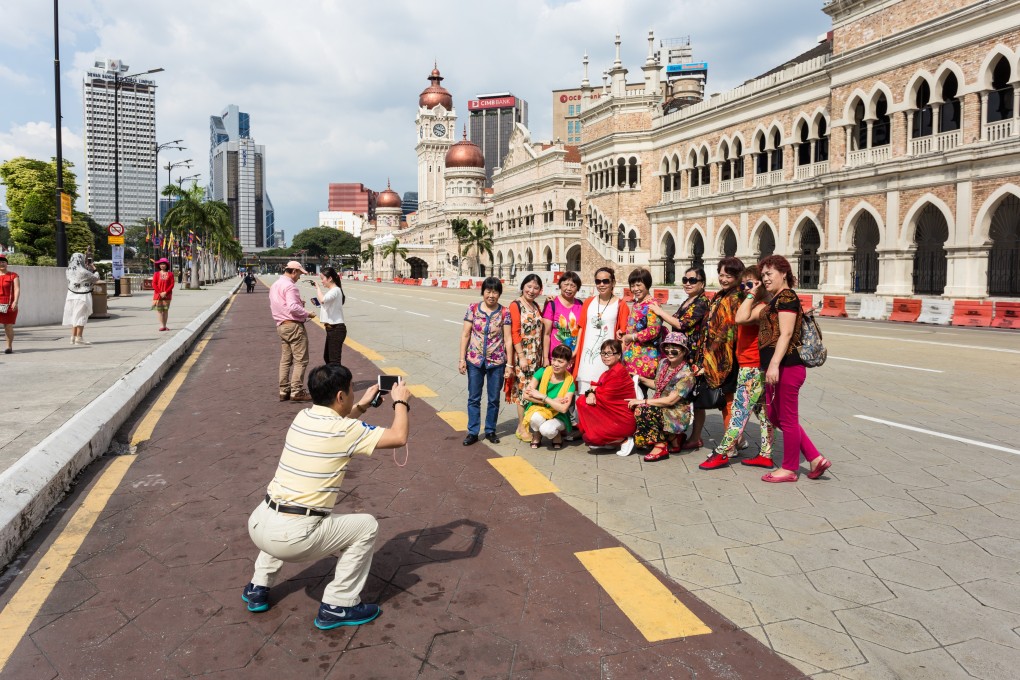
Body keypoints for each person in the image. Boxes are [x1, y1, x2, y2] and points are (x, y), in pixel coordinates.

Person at [242, 363, 411, 629]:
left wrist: (364, 405)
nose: (354, 395)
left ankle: (257, 587)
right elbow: (399, 437)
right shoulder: (345, 431)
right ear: (341, 396)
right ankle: (338, 605)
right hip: (291, 538)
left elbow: (338, 426)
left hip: (259, 524)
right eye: (351, 392)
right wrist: (400, 402)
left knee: (285, 512)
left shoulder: (303, 417)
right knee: (367, 526)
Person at [744, 255, 831, 483]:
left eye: (769, 273)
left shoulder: (788, 297)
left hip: (787, 367)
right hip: (777, 367)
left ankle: (790, 468)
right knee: (775, 416)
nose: (765, 278)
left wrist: (774, 365)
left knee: (788, 419)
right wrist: (754, 292)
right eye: (762, 274)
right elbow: (742, 318)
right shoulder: (774, 300)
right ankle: (814, 458)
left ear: (784, 273)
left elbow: (787, 333)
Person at [702, 266, 775, 470]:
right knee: (763, 414)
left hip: (752, 367)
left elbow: (739, 318)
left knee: (738, 412)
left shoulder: (762, 306)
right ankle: (766, 454)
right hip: (748, 365)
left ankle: (723, 452)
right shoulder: (755, 303)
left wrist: (752, 294)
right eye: (743, 285)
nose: (745, 289)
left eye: (750, 284)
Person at [650, 266, 711, 449]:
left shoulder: (701, 302)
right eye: (685, 280)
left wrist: (660, 312)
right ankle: (678, 432)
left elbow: (682, 324)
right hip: (682, 354)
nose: (687, 283)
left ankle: (695, 437)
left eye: (692, 280)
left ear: (702, 283)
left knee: (697, 399)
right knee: (683, 395)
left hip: (694, 357)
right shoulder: (688, 300)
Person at [687, 258, 744, 452]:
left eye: (729, 275)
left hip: (729, 356)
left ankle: (731, 445)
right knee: (725, 401)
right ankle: (737, 438)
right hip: (715, 354)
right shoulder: (720, 296)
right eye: (721, 274)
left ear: (738, 277)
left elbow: (728, 331)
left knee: (728, 400)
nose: (724, 279)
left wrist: (710, 358)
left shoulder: (738, 297)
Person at [458, 276, 513, 446]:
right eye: (488, 291)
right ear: (483, 292)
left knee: (494, 398)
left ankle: (490, 430)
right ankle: (473, 431)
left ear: (499, 294)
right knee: (474, 397)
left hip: (497, 362)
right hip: (474, 360)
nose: (491, 295)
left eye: (495, 291)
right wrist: (462, 359)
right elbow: (466, 334)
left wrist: (509, 364)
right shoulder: (473, 309)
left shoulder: (504, 312)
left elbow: (508, 339)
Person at [630, 332, 696, 462]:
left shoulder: (687, 375)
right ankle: (673, 438)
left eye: (674, 349)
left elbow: (671, 400)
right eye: (667, 347)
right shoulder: (664, 363)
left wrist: (644, 401)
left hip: (676, 413)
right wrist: (640, 379)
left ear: (683, 351)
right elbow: (657, 385)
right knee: (640, 407)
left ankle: (660, 446)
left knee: (642, 410)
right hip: (662, 406)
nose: (669, 352)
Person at [575, 339, 636, 456]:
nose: (605, 356)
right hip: (612, 416)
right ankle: (612, 440)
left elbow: (605, 396)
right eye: (603, 353)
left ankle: (624, 440)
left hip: (622, 420)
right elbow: (594, 388)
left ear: (618, 355)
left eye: (609, 353)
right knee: (583, 403)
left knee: (583, 403)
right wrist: (591, 392)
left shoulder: (618, 372)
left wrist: (592, 392)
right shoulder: (608, 372)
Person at [573, 267, 628, 394]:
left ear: (613, 283)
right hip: (586, 358)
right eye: (598, 281)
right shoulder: (588, 302)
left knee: (603, 397)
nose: (601, 284)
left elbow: (623, 335)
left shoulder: (621, 305)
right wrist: (576, 351)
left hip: (607, 359)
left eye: (605, 281)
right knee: (583, 397)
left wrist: (620, 360)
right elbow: (581, 327)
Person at [270, 261, 316, 402]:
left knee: (286, 360)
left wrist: (298, 305)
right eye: (300, 274)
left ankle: (284, 390)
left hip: (281, 325)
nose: (299, 277)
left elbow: (283, 305)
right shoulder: (290, 286)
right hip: (293, 326)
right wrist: (307, 313)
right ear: (294, 271)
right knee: (301, 360)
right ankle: (297, 391)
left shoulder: (275, 285)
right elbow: (292, 307)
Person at [508, 274, 545, 440]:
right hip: (523, 355)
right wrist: (521, 356)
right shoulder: (516, 305)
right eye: (529, 286)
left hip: (536, 356)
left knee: (532, 389)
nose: (532, 290)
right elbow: (514, 332)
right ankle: (521, 428)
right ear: (523, 286)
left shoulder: (536, 306)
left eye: (536, 288)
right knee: (523, 391)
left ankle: (527, 425)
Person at [522, 344, 576, 449]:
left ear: (569, 364)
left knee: (547, 430)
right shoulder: (542, 371)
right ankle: (537, 434)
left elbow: (564, 409)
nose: (555, 364)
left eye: (560, 362)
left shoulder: (570, 383)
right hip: (540, 409)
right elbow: (525, 395)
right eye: (554, 359)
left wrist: (542, 396)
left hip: (559, 415)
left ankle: (556, 434)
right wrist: (551, 401)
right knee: (535, 418)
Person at [619, 268, 662, 382]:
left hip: (644, 359)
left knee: (639, 395)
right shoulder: (637, 303)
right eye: (632, 286)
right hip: (631, 356)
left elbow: (653, 330)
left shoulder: (652, 304)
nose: (635, 289)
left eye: (639, 285)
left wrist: (631, 337)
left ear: (647, 284)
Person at [541, 271, 583, 365]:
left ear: (577, 289)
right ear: (560, 285)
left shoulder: (580, 305)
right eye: (566, 284)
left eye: (573, 286)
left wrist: (575, 353)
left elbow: (581, 331)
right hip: (556, 357)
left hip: (573, 357)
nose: (569, 288)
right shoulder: (552, 304)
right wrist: (545, 358)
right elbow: (546, 334)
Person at [312, 267, 347, 366]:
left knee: (333, 360)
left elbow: (323, 300)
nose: (322, 281)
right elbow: (325, 304)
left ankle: (340, 380)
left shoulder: (335, 290)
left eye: (323, 278)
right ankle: (337, 379)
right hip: (331, 328)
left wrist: (318, 288)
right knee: (328, 357)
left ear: (330, 278)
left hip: (336, 328)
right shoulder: (333, 291)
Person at [63, 252, 99, 346]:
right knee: (81, 316)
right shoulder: (83, 271)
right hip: (82, 296)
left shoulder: (68, 270)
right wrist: (94, 269)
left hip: (71, 295)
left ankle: (73, 337)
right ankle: (79, 338)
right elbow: (95, 278)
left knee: (74, 316)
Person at [0, 255, 20, 354]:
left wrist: (15, 301)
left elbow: (17, 289)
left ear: (7, 263)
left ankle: (9, 347)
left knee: (8, 326)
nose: (1, 263)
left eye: (3, 261)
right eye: (0, 262)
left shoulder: (13, 275)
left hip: (8, 304)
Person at [151, 258, 175, 331]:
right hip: (157, 295)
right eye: (161, 264)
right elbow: (154, 284)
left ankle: (165, 325)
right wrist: (160, 292)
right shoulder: (156, 274)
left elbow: (172, 284)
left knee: (165, 310)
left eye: (164, 264)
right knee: (159, 310)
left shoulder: (170, 274)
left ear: (166, 265)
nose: (162, 265)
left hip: (167, 295)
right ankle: (161, 326)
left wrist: (165, 292)